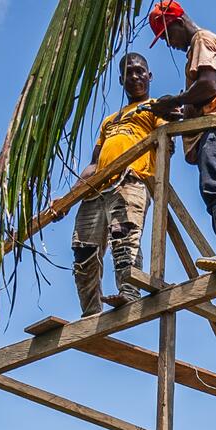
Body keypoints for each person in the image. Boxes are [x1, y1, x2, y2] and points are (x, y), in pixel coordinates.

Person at [147, 1, 216, 315]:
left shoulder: (201, 40)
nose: (169, 44)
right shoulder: (198, 47)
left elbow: (208, 86)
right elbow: (200, 98)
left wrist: (174, 100)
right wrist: (178, 110)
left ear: (177, 22)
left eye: (167, 35)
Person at [72, 52, 163, 317]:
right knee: (83, 250)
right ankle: (90, 312)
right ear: (121, 80)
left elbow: (166, 139)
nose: (135, 76)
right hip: (97, 189)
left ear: (149, 76)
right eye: (128, 73)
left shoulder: (155, 107)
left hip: (129, 181)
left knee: (123, 238)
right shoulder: (110, 121)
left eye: (140, 71)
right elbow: (94, 163)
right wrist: (69, 198)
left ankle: (129, 292)